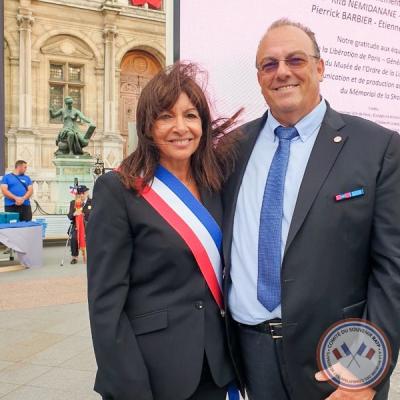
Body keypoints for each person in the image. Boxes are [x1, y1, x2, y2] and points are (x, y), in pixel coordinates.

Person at [222, 18, 400, 400]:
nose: (282, 72)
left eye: (295, 60)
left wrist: (366, 371)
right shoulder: (232, 149)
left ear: (319, 68)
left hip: (338, 358)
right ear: (258, 77)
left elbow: (392, 271)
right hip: (251, 355)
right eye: (269, 64)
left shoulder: (377, 148)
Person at [87, 62, 241, 400]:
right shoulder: (118, 190)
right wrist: (129, 385)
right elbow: (105, 303)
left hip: (217, 366)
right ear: (147, 126)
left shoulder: (217, 186)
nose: (180, 127)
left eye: (190, 115)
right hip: (153, 370)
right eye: (166, 116)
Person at [67, 185, 92, 264]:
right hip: (77, 225)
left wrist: (84, 214)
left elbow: (95, 214)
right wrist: (74, 213)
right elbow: (70, 216)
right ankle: (74, 257)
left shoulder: (92, 202)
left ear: (86, 193)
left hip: (89, 225)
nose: (81, 195)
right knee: (74, 237)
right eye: (79, 193)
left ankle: (92, 256)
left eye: (83, 193)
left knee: (92, 237)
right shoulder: (73, 203)